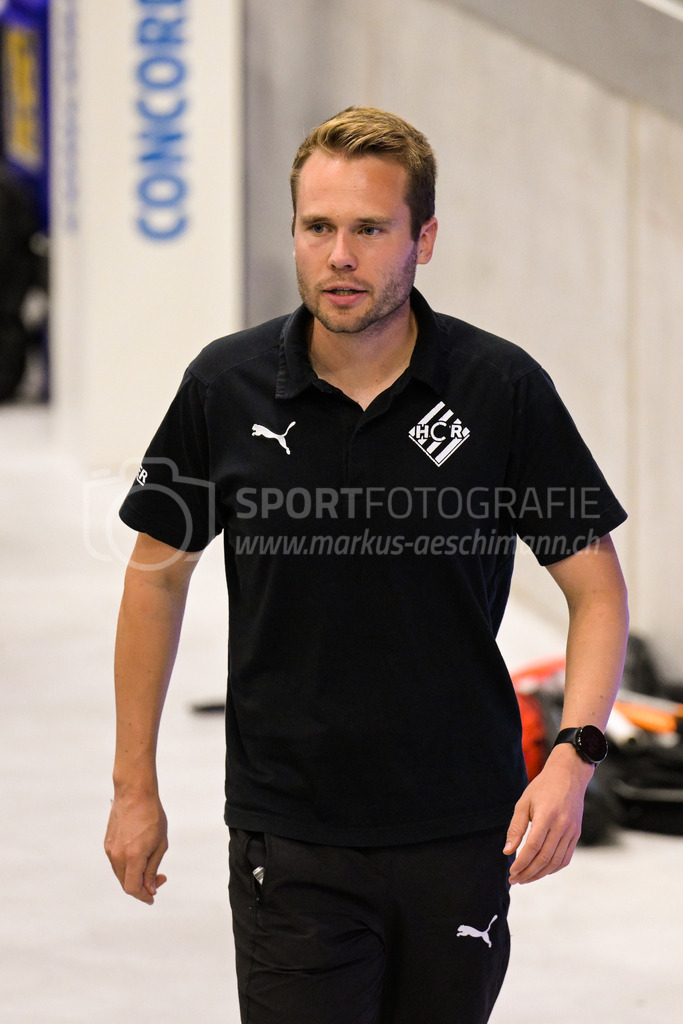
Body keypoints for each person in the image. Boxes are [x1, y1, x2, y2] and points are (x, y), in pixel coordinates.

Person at [105, 106, 629, 1024]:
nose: (339, 255)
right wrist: (132, 786)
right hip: (289, 829)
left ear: (422, 237)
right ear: (295, 233)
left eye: (368, 229)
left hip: (463, 827)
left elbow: (595, 591)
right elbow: (156, 578)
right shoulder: (223, 388)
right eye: (318, 227)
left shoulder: (499, 390)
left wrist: (572, 760)